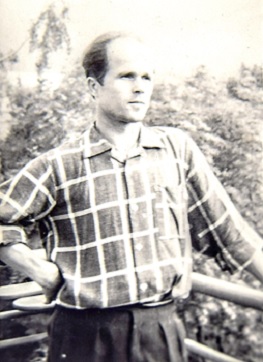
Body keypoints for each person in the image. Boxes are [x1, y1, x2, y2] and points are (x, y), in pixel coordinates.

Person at [0, 32, 263, 362]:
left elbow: (232, 234)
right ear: (94, 87)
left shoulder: (176, 150)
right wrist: (35, 267)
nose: (140, 87)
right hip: (83, 337)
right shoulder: (57, 165)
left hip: (160, 331)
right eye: (126, 76)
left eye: (147, 77)